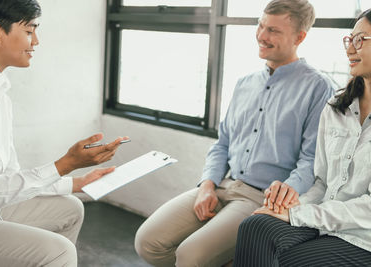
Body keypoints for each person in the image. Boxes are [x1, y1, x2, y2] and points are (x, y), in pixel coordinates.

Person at [134, 0, 336, 266]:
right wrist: (207, 185)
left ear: (300, 37)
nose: (261, 36)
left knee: (190, 255)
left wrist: (282, 198)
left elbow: (312, 161)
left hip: (261, 197)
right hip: (222, 185)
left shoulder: (319, 88)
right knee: (148, 242)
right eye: (260, 25)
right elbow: (223, 143)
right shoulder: (245, 83)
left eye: (273, 30)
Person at [0, 0, 128, 266]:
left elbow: (8, 176)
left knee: (69, 207)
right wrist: (65, 164)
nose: (36, 42)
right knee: (58, 252)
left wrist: (76, 182)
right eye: (30, 31)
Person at [233, 8, 371, 267]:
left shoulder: (317, 87)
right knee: (254, 226)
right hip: (324, 220)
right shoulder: (336, 106)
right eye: (349, 39)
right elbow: (321, 181)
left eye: (361, 40)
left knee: (290, 260)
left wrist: (301, 214)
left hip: (363, 237)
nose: (350, 49)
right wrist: (287, 209)